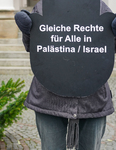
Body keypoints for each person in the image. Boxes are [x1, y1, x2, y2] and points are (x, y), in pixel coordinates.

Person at [15, 0, 116, 150]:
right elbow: (35, 49)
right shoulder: (45, 5)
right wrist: (28, 31)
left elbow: (107, 51)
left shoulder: (99, 6)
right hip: (49, 96)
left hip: (93, 98)